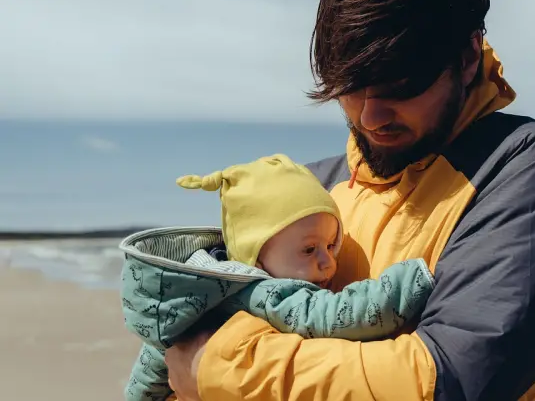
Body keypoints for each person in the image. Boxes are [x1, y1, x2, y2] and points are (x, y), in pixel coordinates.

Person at [165, 0, 535, 401]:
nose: (370, 117)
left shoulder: (526, 169)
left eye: (399, 87)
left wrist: (218, 367)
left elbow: (451, 379)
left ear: (468, 56)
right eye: (349, 90)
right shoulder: (311, 189)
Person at [119, 154, 434, 401]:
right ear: (255, 254)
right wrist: (410, 281)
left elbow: (150, 368)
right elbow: (340, 315)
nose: (329, 263)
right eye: (309, 250)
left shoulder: (197, 291)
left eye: (330, 245)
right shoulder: (267, 294)